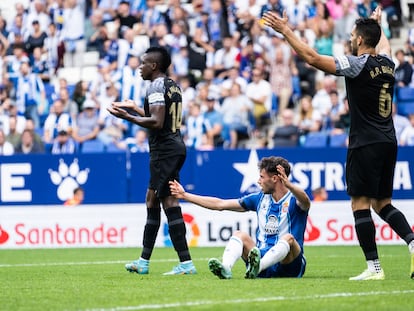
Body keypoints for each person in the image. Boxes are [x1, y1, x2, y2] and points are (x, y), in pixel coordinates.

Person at [262, 6, 414, 280]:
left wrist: (286, 31)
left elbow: (311, 57)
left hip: (364, 142)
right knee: (383, 204)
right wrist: (377, 25)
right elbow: (385, 45)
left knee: (359, 203)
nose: (350, 38)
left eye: (353, 35)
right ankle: (413, 243)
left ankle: (373, 268)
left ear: (358, 40)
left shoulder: (357, 65)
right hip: (388, 141)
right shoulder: (388, 64)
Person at [107, 46, 196, 275]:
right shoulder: (172, 85)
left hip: (164, 150)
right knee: (153, 199)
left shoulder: (155, 86)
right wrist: (135, 108)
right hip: (172, 146)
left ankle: (184, 263)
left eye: (143, 63)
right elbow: (163, 117)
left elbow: (156, 122)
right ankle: (145, 262)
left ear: (153, 66)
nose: (139, 67)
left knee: (166, 202)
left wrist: (127, 116)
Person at [169, 156, 311, 279]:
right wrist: (184, 195)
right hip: (262, 255)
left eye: (262, 177)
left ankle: (258, 266)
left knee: (288, 238)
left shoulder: (295, 200)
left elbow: (305, 200)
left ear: (275, 178)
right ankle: (225, 268)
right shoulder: (259, 199)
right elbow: (220, 204)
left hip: (290, 264)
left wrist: (289, 185)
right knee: (239, 235)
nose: (258, 181)